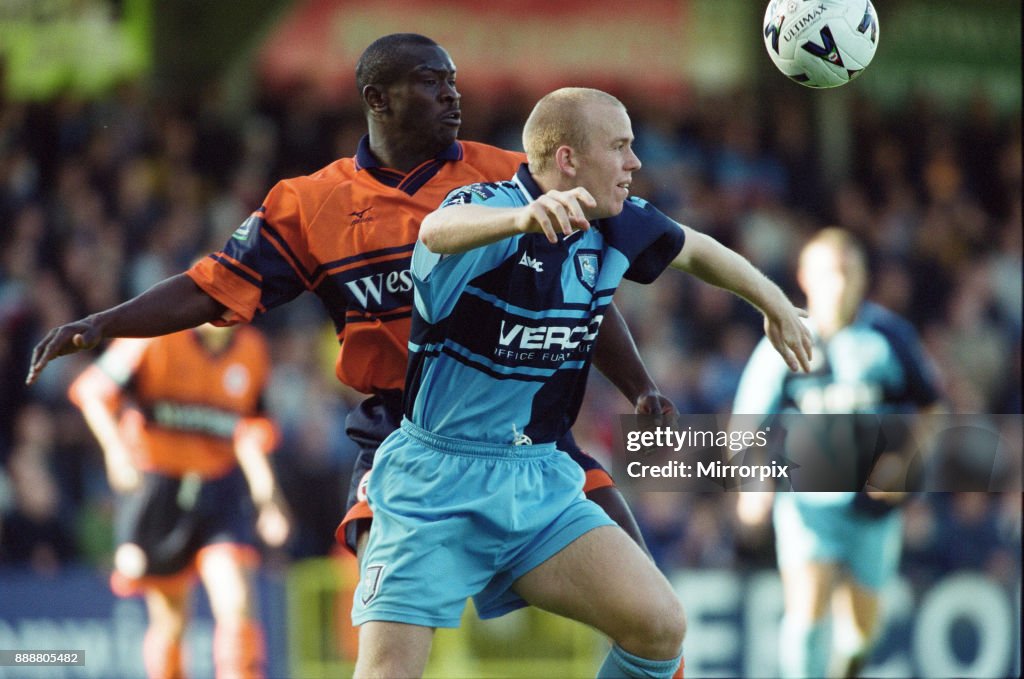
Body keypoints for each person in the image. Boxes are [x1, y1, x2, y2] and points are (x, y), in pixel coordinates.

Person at [24, 33, 671, 562]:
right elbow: (210, 285)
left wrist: (640, 385)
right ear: (376, 98)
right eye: (431, 81)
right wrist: (102, 323)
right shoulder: (312, 205)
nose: (453, 95)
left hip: (522, 427)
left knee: (649, 603)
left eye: (453, 81)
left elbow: (586, 285)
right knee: (382, 608)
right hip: (402, 431)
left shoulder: (508, 175)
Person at [351, 86, 812, 679]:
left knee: (659, 627)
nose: (634, 163)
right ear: (568, 159)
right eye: (619, 147)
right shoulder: (488, 209)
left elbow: (698, 252)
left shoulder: (615, 224)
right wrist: (519, 218)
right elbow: (437, 231)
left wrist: (772, 301)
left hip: (537, 480)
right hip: (433, 485)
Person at [733, 227, 943, 678]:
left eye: (849, 272)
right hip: (807, 498)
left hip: (874, 503)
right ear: (805, 277)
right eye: (830, 272)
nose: (840, 283)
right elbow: (747, 419)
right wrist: (753, 487)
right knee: (807, 612)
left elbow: (932, 408)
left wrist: (903, 463)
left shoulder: (888, 335)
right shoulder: (784, 336)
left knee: (862, 633)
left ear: (865, 278)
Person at [68, 322, 291, 679]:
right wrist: (115, 451)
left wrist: (270, 501)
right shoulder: (154, 337)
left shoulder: (252, 349)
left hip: (221, 487)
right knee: (171, 619)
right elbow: (92, 391)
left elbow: (251, 431)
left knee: (237, 602)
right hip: (158, 487)